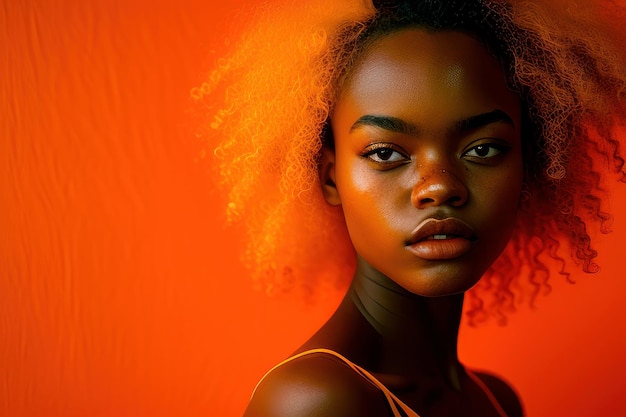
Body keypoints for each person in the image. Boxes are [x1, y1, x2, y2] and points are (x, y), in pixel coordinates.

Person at [193, 0, 626, 415]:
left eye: (483, 148)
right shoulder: (318, 403)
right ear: (330, 177)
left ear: (529, 164)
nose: (438, 188)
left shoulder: (496, 401)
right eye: (385, 154)